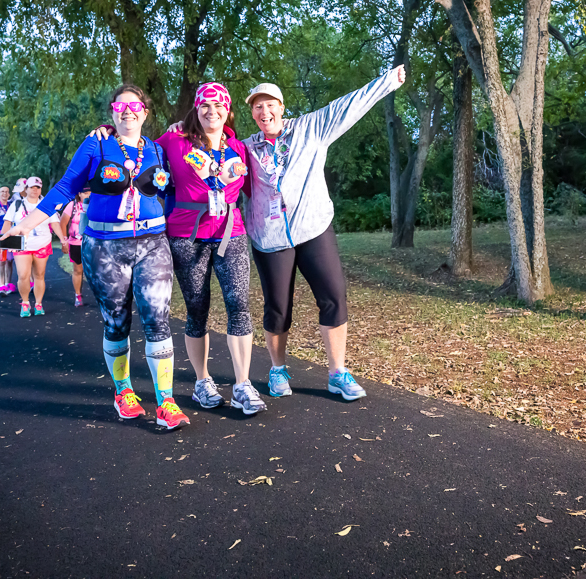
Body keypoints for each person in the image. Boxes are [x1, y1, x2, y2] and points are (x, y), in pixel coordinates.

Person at [4, 84, 189, 431]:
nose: (128, 111)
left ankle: (166, 401)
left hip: (153, 244)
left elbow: (182, 174)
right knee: (117, 322)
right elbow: (65, 188)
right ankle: (124, 392)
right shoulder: (96, 144)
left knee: (157, 319)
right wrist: (23, 227)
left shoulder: (157, 149)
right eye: (120, 107)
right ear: (111, 113)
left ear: (146, 113)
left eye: (135, 106)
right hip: (105, 248)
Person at [243, 66, 406, 401]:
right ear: (253, 113)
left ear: (281, 107)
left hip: (314, 228)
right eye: (258, 106)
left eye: (270, 104)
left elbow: (349, 105)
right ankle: (277, 370)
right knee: (278, 308)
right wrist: (180, 131)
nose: (264, 111)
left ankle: (337, 373)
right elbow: (208, 145)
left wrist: (387, 82)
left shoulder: (311, 128)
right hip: (270, 237)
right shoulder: (245, 147)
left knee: (333, 296)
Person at [156, 83, 263, 414]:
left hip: (231, 233)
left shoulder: (238, 148)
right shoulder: (174, 140)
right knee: (197, 309)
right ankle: (202, 381)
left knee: (239, 305)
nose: (211, 111)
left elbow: (256, 185)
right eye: (205, 105)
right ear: (196, 108)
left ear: (227, 111)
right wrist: (107, 130)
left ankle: (243, 384)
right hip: (187, 235)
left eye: (219, 105)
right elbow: (138, 152)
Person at [2, 177, 59, 317]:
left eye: (38, 187)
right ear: (25, 189)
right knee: (23, 275)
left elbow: (55, 223)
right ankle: (25, 303)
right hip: (21, 245)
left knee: (39, 275)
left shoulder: (46, 205)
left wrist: (63, 239)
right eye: (32, 187)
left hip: (42, 243)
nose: (35, 190)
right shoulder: (16, 204)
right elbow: (7, 223)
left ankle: (38, 304)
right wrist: (3, 242)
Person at [57, 190, 90, 307]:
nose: (88, 195)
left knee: (95, 271)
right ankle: (78, 295)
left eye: (90, 192)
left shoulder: (95, 204)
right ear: (79, 194)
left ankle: (100, 296)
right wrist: (64, 241)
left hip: (92, 243)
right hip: (75, 242)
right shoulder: (73, 205)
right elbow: (62, 223)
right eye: (85, 193)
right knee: (78, 270)